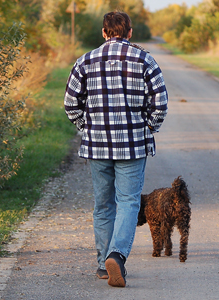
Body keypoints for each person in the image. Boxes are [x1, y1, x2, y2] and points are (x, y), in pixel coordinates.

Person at [64, 11, 168, 287]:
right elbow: (161, 102)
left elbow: (70, 102)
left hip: (97, 146)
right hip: (132, 145)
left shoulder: (85, 61)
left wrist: (87, 126)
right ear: (130, 32)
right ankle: (117, 256)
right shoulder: (144, 59)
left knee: (103, 204)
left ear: (103, 32)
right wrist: (147, 127)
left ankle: (102, 265)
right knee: (129, 203)